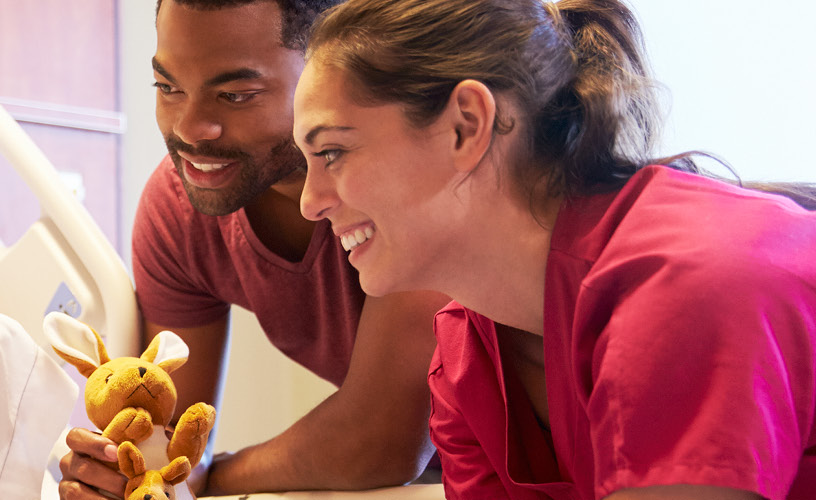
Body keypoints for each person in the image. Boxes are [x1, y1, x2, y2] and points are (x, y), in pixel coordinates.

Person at [294, 0, 816, 498]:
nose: (309, 203)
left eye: (332, 152)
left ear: (466, 125)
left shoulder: (685, 285)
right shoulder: (465, 361)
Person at [58, 0, 451, 497]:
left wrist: (207, 477)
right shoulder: (178, 211)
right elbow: (171, 445)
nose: (189, 128)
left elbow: (379, 441)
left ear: (327, 68)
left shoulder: (407, 176)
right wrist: (134, 475)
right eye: (168, 87)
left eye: (236, 95)